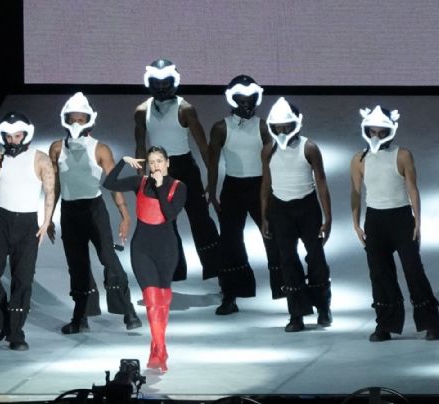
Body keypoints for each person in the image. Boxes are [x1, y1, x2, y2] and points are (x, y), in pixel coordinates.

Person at [47, 92, 142, 334]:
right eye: (72, 119)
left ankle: (128, 311)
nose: (76, 124)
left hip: (94, 210)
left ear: (90, 120)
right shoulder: (56, 148)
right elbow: (54, 185)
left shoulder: (100, 149)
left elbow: (113, 183)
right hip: (69, 212)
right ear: (64, 119)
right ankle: (81, 317)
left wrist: (125, 214)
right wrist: (47, 217)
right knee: (77, 265)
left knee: (108, 259)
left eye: (81, 119)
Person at [350, 105, 439, 342]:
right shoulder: (359, 159)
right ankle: (385, 325)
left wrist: (417, 221)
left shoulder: (403, 155)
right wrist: (356, 222)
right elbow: (356, 192)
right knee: (380, 274)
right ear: (366, 130)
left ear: (391, 131)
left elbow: (412, 188)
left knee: (413, 270)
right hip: (375, 220)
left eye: (382, 131)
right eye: (372, 131)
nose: (376, 136)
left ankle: (430, 323)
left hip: (401, 218)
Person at [134, 59, 220, 281]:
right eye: (157, 82)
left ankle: (216, 269)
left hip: (185, 169)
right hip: (159, 172)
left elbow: (204, 146)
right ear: (149, 82)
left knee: (200, 220)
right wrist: (141, 181)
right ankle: (175, 272)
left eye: (166, 82)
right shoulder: (142, 111)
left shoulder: (186, 109)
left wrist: (212, 179)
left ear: (174, 82)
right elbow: (140, 147)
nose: (162, 87)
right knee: (165, 224)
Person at [103, 146, 187, 373]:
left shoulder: (179, 187)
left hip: (167, 249)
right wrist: (121, 161)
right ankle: (161, 348)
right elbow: (109, 184)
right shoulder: (140, 183)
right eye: (152, 162)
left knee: (162, 303)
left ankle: (156, 349)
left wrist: (160, 187)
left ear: (167, 163)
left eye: (160, 161)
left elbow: (169, 214)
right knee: (151, 299)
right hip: (142, 248)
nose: (156, 165)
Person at [0, 112, 55, 351]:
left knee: (22, 280)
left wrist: (46, 222)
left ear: (26, 134)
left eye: (17, 135)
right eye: (8, 136)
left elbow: (50, 192)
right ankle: (0, 323)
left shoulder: (40, 159)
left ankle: (16, 334)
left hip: (28, 224)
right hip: (1, 220)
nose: (12, 140)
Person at [207, 75, 283, 315]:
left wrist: (276, 189)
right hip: (232, 188)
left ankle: (286, 287)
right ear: (232, 99)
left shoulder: (263, 126)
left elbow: (274, 161)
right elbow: (212, 161)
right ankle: (231, 294)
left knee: (272, 235)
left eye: (251, 99)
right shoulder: (221, 127)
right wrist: (212, 191)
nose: (246, 103)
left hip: (260, 187)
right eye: (241, 98)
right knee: (230, 242)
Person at [260, 98, 333, 332]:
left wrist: (327, 218)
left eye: (287, 127)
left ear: (297, 125)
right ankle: (297, 315)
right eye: (278, 127)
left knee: (316, 258)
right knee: (288, 261)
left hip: (308, 208)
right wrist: (264, 217)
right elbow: (266, 184)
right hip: (280, 209)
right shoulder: (268, 150)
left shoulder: (309, 148)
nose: (282, 132)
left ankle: (323, 306)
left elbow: (321, 182)